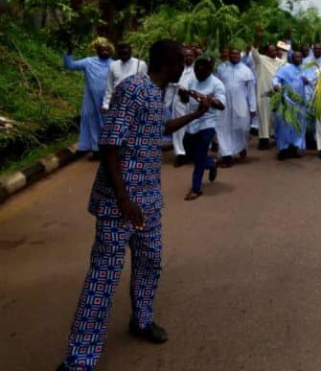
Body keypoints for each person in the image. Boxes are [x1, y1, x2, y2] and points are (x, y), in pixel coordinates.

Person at [56, 40, 213, 371]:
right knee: (103, 278)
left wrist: (196, 114)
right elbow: (110, 145)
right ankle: (78, 360)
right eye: (181, 62)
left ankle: (141, 320)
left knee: (150, 262)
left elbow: (160, 128)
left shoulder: (156, 93)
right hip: (120, 203)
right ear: (168, 64)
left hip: (149, 199)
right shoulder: (132, 90)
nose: (184, 68)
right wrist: (124, 199)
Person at [180, 58, 226, 201]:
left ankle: (196, 189)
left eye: (202, 72)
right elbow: (186, 100)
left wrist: (208, 99)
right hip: (194, 120)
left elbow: (221, 105)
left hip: (209, 122)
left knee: (200, 153)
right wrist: (183, 95)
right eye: (196, 71)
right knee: (188, 149)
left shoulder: (217, 84)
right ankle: (211, 163)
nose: (198, 75)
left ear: (209, 71)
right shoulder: (192, 80)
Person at [64, 38, 113, 160]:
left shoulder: (114, 65)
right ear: (97, 51)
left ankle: (108, 150)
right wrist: (69, 52)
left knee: (108, 124)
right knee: (93, 123)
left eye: (107, 50)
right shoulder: (88, 62)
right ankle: (96, 150)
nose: (105, 52)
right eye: (102, 50)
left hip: (109, 100)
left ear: (111, 51)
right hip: (91, 100)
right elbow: (70, 65)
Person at [215, 47, 257, 167]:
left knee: (242, 127)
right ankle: (226, 156)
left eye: (237, 54)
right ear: (229, 55)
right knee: (223, 128)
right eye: (232, 54)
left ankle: (241, 146)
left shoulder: (246, 70)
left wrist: (253, 107)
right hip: (223, 103)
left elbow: (251, 91)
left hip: (240, 102)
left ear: (240, 55)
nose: (234, 56)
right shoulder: (221, 68)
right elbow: (216, 84)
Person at [272, 51, 314, 160]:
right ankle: (283, 150)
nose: (298, 59)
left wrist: (308, 80)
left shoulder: (305, 69)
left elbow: (313, 80)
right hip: (287, 102)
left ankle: (294, 148)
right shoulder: (285, 69)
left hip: (300, 103)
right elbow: (276, 78)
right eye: (296, 57)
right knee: (284, 126)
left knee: (298, 126)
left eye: (300, 57)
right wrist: (276, 85)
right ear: (291, 58)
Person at [251, 27, 286, 150]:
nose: (273, 52)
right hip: (264, 93)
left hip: (277, 93)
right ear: (266, 52)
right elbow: (254, 51)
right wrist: (258, 38)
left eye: (274, 50)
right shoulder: (261, 60)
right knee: (264, 116)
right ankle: (263, 140)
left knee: (275, 117)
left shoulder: (280, 62)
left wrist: (286, 37)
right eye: (270, 50)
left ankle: (274, 136)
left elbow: (286, 52)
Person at [102, 42, 148, 114]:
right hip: (116, 103)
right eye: (121, 53)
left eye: (125, 52)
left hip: (134, 103)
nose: (123, 55)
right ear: (117, 53)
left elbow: (146, 86)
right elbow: (109, 87)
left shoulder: (140, 64)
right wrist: (106, 105)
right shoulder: (113, 65)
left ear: (130, 52)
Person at [169, 47, 196, 167]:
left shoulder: (198, 69)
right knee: (179, 127)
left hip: (194, 101)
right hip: (179, 101)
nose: (188, 58)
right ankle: (180, 154)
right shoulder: (177, 68)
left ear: (194, 57)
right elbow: (171, 86)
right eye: (186, 55)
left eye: (190, 55)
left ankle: (192, 153)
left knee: (193, 127)